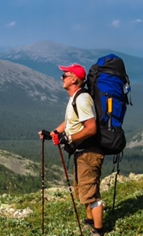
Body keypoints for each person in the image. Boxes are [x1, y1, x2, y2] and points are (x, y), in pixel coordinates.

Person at [38, 64, 104, 236]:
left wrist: (67, 138)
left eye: (64, 75)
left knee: (90, 192)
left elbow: (91, 128)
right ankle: (90, 221)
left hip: (89, 152)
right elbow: (70, 122)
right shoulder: (75, 97)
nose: (62, 78)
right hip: (82, 152)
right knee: (83, 189)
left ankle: (98, 231)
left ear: (74, 79)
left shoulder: (81, 99)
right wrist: (53, 133)